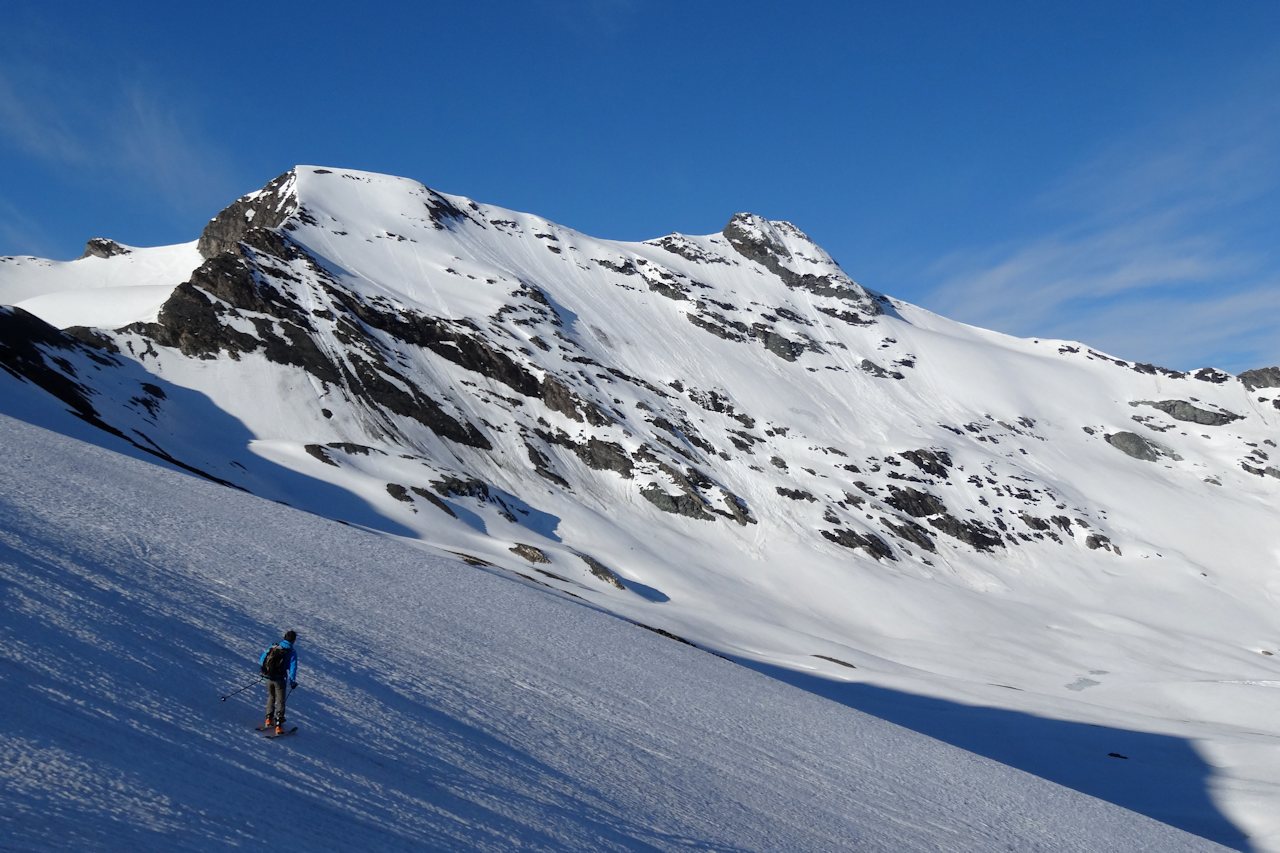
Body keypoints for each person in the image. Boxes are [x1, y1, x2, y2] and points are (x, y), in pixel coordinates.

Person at [259, 630, 299, 734]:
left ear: (284, 637)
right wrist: (292, 681)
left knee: (271, 697)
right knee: (280, 701)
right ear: (294, 640)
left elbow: (262, 659)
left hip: (268, 677)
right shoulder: (291, 652)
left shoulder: (274, 647)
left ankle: (268, 719)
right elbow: (292, 668)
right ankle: (278, 725)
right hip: (280, 679)